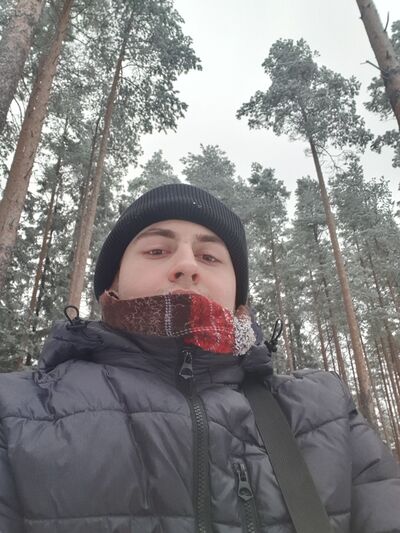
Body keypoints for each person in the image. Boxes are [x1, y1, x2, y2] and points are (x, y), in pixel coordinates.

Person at [0, 183, 399, 533]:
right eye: (157, 250)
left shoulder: (322, 410)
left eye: (210, 257)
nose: (187, 265)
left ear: (237, 294)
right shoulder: (16, 411)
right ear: (113, 283)